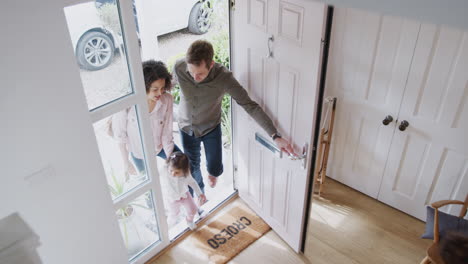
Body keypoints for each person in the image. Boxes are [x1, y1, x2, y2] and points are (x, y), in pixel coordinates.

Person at [173, 40, 296, 193]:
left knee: (215, 167)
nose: (194, 77)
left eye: (200, 74)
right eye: (191, 73)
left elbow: (249, 106)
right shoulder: (179, 67)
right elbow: (166, 86)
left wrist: (275, 136)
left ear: (211, 65)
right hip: (186, 127)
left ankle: (213, 173)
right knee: (191, 168)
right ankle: (199, 195)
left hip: (210, 128)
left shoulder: (224, 78)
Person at [112, 60, 181, 179]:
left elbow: (166, 133)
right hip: (138, 152)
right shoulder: (126, 104)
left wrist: (171, 161)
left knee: (183, 169)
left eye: (163, 88)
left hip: (160, 147)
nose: (160, 93)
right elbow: (120, 136)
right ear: (143, 86)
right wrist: (126, 162)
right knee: (148, 183)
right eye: (155, 89)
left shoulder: (167, 100)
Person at [162, 152, 207, 230]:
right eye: (171, 170)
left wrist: (200, 193)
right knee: (174, 214)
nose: (173, 174)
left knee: (193, 210)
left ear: (184, 171)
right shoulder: (164, 170)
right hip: (172, 198)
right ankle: (168, 226)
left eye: (177, 172)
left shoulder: (186, 174)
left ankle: (189, 221)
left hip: (184, 194)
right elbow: (154, 172)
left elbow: (193, 183)